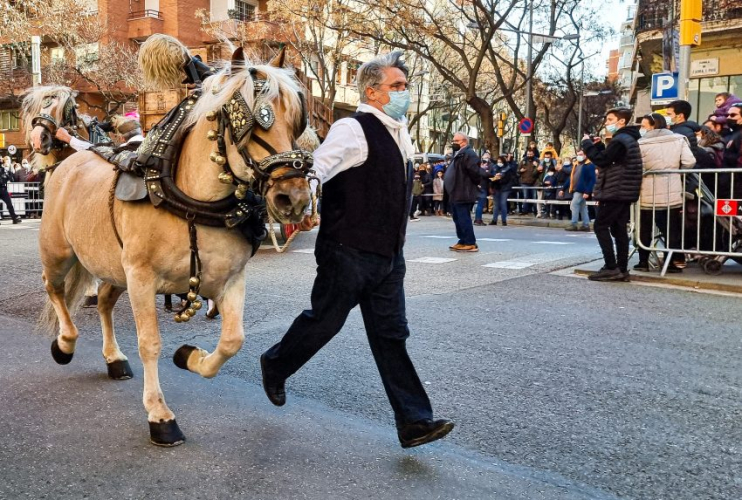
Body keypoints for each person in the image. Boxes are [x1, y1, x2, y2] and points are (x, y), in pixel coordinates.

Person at [259, 51, 454, 449]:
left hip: (388, 257)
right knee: (324, 323)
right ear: (372, 91)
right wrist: (304, 205)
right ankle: (275, 364)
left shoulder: (400, 130)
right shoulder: (353, 128)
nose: (405, 93)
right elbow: (316, 169)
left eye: (405, 86)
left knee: (391, 335)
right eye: (396, 86)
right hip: (347, 251)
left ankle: (415, 422)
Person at [581, 107, 643, 282]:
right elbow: (612, 159)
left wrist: (587, 145)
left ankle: (611, 266)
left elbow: (603, 160)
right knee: (618, 229)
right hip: (624, 191)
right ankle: (622, 268)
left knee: (601, 226)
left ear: (621, 121)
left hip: (615, 190)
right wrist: (599, 145)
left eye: (610, 119)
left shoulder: (620, 140)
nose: (607, 123)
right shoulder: (628, 139)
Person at [635, 112, 695, 273]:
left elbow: (637, 167)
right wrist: (677, 173)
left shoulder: (640, 143)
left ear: (653, 126)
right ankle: (672, 263)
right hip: (672, 189)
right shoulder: (679, 139)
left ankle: (643, 262)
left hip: (647, 190)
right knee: (671, 228)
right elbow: (690, 161)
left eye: (644, 126)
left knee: (645, 227)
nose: (642, 129)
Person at [445, 132, 490, 252]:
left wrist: (474, 184)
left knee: (463, 217)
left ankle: (470, 242)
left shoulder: (469, 154)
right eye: (453, 141)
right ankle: (463, 240)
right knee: (457, 218)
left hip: (463, 191)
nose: (453, 143)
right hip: (455, 191)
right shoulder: (459, 154)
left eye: (456, 141)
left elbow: (474, 172)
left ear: (464, 141)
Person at [565, 150, 595, 231]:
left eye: (581, 154)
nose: (579, 156)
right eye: (578, 154)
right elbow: (571, 177)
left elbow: (592, 180)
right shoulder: (576, 164)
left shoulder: (589, 165)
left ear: (585, 155)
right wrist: (564, 187)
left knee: (574, 205)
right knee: (582, 207)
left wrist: (588, 191)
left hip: (581, 190)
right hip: (576, 189)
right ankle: (585, 225)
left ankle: (574, 224)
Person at [488, 155, 516, 226]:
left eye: (500, 161)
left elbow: (509, 178)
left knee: (503, 203)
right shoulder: (494, 168)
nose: (499, 163)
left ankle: (504, 220)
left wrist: (501, 178)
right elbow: (490, 176)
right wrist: (494, 179)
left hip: (505, 188)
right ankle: (494, 220)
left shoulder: (507, 168)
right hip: (496, 187)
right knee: (496, 204)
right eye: (498, 161)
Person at [0, 159, 22, 224]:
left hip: (3, 189)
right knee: (9, 204)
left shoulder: (4, 170)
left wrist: (7, 176)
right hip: (2, 188)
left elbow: (11, 178)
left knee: (9, 204)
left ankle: (14, 217)